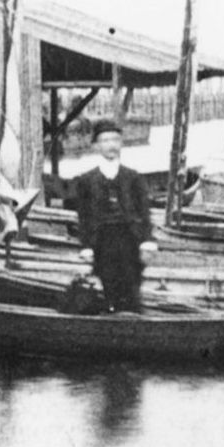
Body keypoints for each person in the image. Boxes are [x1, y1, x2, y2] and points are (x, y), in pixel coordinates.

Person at [72, 121, 156, 312]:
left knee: (132, 287)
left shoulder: (133, 178)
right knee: (109, 286)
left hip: (129, 239)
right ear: (96, 145)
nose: (111, 145)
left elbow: (144, 212)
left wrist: (147, 241)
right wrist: (86, 246)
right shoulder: (86, 181)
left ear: (121, 143)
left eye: (115, 140)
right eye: (105, 140)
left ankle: (135, 322)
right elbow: (83, 217)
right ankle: (113, 318)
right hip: (102, 241)